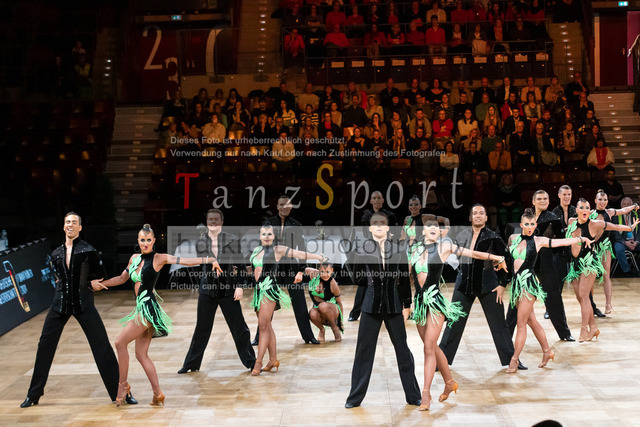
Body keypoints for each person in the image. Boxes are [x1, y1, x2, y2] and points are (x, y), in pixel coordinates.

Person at [94, 224, 222, 406]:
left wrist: (210, 259)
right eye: (142, 240)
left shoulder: (159, 258)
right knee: (141, 354)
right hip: (141, 308)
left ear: (154, 241)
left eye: (148, 240)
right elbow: (122, 279)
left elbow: (184, 261)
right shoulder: (134, 259)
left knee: (120, 343)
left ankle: (123, 386)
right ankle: (157, 393)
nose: (145, 243)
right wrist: (101, 284)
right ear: (138, 241)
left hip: (148, 309)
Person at [20, 213, 137, 408]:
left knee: (102, 347)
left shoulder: (88, 250)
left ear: (80, 227)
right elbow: (58, 277)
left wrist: (92, 284)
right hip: (59, 305)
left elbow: (101, 275)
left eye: (74, 222)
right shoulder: (56, 253)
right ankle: (33, 395)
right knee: (44, 346)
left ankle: (122, 392)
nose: (70, 225)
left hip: (83, 304)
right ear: (63, 226)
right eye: (68, 222)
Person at [411, 216, 507, 409]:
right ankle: (449, 383)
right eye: (429, 226)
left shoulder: (444, 247)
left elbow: (473, 253)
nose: (433, 228)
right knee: (432, 347)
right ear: (423, 231)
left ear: (440, 232)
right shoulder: (414, 250)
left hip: (435, 303)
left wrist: (496, 257)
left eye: (436, 227)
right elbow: (408, 277)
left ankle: (426, 394)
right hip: (420, 304)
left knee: (428, 348)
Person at [344, 212, 421, 409]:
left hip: (394, 305)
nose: (378, 226)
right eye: (375, 223)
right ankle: (354, 398)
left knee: (403, 351)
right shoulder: (363, 249)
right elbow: (357, 279)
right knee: (363, 351)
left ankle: (413, 396)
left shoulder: (398, 249)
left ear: (387, 227)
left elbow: (404, 279)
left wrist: (407, 304)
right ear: (370, 228)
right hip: (370, 307)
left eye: (382, 223)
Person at [505, 209, 592, 373]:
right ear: (521, 225)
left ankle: (514, 360)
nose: (530, 227)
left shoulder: (539, 241)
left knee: (521, 323)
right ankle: (547, 351)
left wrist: (580, 238)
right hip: (516, 286)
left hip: (528, 285)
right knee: (531, 321)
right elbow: (507, 258)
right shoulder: (513, 239)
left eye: (532, 224)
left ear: (535, 225)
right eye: (527, 224)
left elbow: (561, 242)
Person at [440, 205, 522, 369]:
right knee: (453, 322)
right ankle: (441, 361)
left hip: (488, 285)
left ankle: (511, 360)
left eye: (481, 213)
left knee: (499, 323)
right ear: (470, 217)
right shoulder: (461, 235)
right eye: (475, 213)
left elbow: (507, 260)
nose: (478, 216)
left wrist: (502, 284)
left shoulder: (493, 237)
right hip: (463, 284)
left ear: (486, 218)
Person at [178, 209, 256, 374]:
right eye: (210, 219)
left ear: (221, 222)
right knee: (202, 328)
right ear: (207, 222)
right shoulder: (201, 242)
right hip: (208, 289)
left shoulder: (232, 240)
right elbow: (204, 260)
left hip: (228, 289)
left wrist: (240, 286)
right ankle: (191, 363)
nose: (213, 222)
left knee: (239, 327)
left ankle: (251, 362)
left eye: (216, 219)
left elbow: (241, 265)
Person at [249, 223, 326, 375]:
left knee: (263, 327)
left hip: (269, 291)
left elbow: (299, 254)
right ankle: (273, 360)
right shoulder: (256, 250)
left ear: (274, 236)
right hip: (258, 292)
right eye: (263, 234)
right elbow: (254, 269)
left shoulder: (278, 249)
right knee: (267, 327)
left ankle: (258, 362)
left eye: (269, 234)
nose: (266, 237)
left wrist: (318, 257)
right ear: (259, 236)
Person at [565, 199, 638, 341]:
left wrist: (630, 228)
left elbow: (614, 226)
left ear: (590, 210)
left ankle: (584, 330)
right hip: (575, 265)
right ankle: (593, 327)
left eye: (587, 207)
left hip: (589, 263)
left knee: (584, 296)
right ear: (576, 210)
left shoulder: (594, 224)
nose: (585, 210)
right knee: (581, 298)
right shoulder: (571, 222)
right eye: (582, 207)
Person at [507, 191, 575, 341]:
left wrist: (557, 260)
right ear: (533, 201)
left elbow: (561, 243)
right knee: (516, 297)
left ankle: (564, 333)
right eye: (539, 199)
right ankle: (507, 336)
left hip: (545, 263)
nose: (542, 201)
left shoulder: (553, 218)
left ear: (549, 201)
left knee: (553, 297)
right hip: (526, 264)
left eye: (545, 198)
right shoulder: (528, 216)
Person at [253, 196, 320, 345]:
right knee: (266, 302)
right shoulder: (269, 223)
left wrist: (301, 270)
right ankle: (259, 337)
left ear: (291, 207)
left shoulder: (296, 225)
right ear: (277, 206)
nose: (285, 207)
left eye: (288, 204)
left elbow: (301, 248)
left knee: (299, 303)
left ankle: (308, 336)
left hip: (291, 267)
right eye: (282, 204)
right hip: (272, 268)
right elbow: (261, 246)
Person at [349, 191, 399, 321]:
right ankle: (355, 313)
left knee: (388, 282)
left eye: (379, 198)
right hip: (370, 249)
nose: (376, 200)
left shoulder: (390, 216)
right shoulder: (366, 216)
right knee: (365, 283)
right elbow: (366, 234)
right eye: (374, 198)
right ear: (371, 201)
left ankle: (392, 309)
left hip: (387, 249)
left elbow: (394, 233)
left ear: (383, 200)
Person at [590, 190, 639, 313]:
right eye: (600, 199)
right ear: (595, 201)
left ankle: (608, 304)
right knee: (591, 277)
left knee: (606, 275)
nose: (603, 202)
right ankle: (590, 304)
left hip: (605, 246)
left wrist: (634, 206)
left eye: (605, 200)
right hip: (591, 247)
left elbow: (623, 210)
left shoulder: (610, 212)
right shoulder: (590, 213)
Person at [304, 262, 344, 342]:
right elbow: (304, 269)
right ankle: (322, 329)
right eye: (322, 271)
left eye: (327, 272)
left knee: (322, 306)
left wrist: (341, 321)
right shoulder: (314, 276)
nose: (325, 275)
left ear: (332, 271)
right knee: (312, 314)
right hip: (318, 309)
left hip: (332, 310)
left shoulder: (333, 284)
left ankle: (334, 328)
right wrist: (319, 268)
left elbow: (339, 303)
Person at [612, 197, 640, 277]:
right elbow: (614, 232)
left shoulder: (636, 215)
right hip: (621, 241)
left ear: (631, 206)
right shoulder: (616, 216)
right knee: (619, 249)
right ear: (621, 206)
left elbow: (639, 231)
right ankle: (627, 271)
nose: (626, 206)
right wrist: (625, 242)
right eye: (624, 204)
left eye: (628, 204)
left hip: (635, 241)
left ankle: (637, 269)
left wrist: (637, 241)